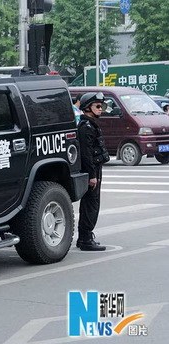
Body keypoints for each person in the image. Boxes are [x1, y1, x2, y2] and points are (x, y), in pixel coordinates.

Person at [77, 92, 110, 251]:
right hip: (92, 170)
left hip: (96, 169)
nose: (101, 109)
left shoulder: (91, 124)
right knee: (91, 203)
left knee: (92, 202)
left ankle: (84, 237)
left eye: (102, 106)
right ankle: (85, 239)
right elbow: (86, 154)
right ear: (87, 107)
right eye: (97, 106)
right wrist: (92, 176)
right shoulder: (86, 127)